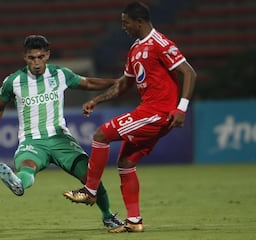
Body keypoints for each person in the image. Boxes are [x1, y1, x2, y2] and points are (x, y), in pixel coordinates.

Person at [63, 1, 197, 233]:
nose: (123, 26)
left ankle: (90, 191)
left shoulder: (160, 43)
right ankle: (134, 221)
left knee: (101, 134)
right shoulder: (135, 49)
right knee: (125, 163)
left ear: (140, 22)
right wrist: (97, 100)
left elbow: (189, 72)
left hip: (158, 112)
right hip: (150, 112)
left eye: (126, 22)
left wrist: (181, 108)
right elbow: (123, 85)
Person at [0, 35, 123, 229]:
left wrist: (117, 82)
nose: (36, 62)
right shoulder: (13, 81)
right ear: (24, 57)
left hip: (61, 139)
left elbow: (88, 83)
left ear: (48, 55)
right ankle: (18, 183)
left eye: (40, 57)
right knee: (27, 166)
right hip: (32, 141)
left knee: (91, 178)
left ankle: (107, 215)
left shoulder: (60, 74)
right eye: (31, 58)